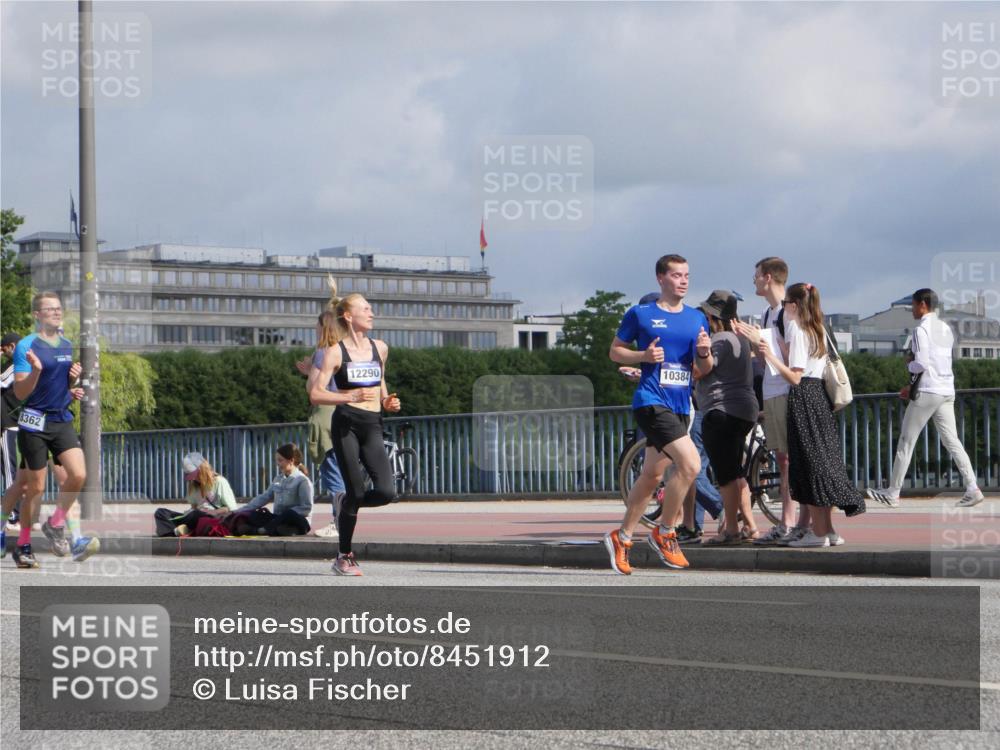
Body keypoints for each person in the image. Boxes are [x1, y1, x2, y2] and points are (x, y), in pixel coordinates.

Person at [604, 254, 712, 574]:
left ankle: (621, 537)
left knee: (651, 475)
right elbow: (614, 351)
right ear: (661, 279)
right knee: (690, 464)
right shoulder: (641, 314)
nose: (684, 281)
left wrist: (704, 354)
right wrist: (643, 355)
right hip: (651, 401)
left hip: (680, 404)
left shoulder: (696, 319)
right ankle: (665, 532)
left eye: (687, 275)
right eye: (677, 275)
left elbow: (702, 370)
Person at [757, 283, 865, 547]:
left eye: (786, 305)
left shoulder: (799, 329)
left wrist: (770, 354)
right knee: (822, 459)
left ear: (793, 305)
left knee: (808, 465)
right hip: (819, 397)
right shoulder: (817, 328)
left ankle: (817, 533)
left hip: (803, 397)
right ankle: (827, 530)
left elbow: (794, 376)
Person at [309, 281, 402, 576]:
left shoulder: (381, 348)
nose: (372, 313)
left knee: (386, 492)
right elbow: (316, 393)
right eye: (365, 309)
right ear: (349, 316)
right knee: (357, 491)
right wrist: (347, 396)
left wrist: (387, 401)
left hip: (373, 424)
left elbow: (380, 383)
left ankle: (343, 501)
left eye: (371, 308)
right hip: (346, 424)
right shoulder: (336, 352)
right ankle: (344, 556)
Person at [3, 292, 97, 568]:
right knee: (34, 487)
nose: (56, 313)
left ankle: (56, 524)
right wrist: (35, 370)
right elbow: (20, 392)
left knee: (78, 474)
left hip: (61, 419)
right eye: (49, 309)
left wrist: (72, 385)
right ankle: (23, 546)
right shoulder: (26, 347)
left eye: (58, 308)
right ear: (37, 315)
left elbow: (59, 386)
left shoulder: (66, 344)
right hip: (33, 421)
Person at [867, 289, 985, 508]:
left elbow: (921, 363)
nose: (912, 309)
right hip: (946, 390)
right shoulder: (946, 329)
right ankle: (973, 487)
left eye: (913, 305)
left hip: (928, 391)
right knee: (952, 441)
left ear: (922, 304)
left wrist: (908, 364)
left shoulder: (921, 330)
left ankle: (893, 492)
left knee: (906, 441)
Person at [735, 257, 807, 546]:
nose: (753, 280)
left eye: (756, 276)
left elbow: (794, 360)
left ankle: (793, 522)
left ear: (767, 277)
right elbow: (768, 356)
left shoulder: (788, 313)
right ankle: (789, 522)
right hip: (773, 390)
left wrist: (760, 343)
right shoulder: (769, 314)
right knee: (783, 458)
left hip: (788, 391)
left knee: (792, 460)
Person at [694, 291, 761, 545]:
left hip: (722, 410)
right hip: (744, 410)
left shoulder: (719, 339)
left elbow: (703, 369)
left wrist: (698, 353)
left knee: (725, 476)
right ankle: (750, 525)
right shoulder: (740, 338)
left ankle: (731, 529)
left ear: (712, 316)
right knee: (735, 472)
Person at [298, 304, 348, 538]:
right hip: (348, 411)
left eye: (316, 327)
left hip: (327, 415)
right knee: (345, 470)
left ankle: (338, 522)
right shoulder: (346, 351)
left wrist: (310, 371)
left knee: (332, 470)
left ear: (323, 328)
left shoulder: (323, 353)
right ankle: (345, 520)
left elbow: (314, 389)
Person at [154, 452, 237, 536]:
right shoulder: (194, 485)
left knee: (197, 514)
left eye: (194, 474)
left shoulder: (220, 481)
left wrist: (213, 512)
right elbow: (194, 507)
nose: (193, 478)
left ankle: (177, 530)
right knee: (160, 512)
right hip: (194, 516)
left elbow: (231, 508)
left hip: (209, 516)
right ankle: (176, 531)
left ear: (202, 470)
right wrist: (190, 512)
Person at [240, 443, 314, 536]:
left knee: (289, 513)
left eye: (280, 460)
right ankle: (284, 530)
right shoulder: (278, 479)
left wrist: (284, 515)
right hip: (278, 520)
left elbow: (306, 508)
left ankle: (261, 530)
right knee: (254, 515)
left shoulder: (303, 481)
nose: (278, 464)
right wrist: (241, 510)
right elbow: (264, 497)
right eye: (277, 461)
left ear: (291, 460)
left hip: (298, 521)